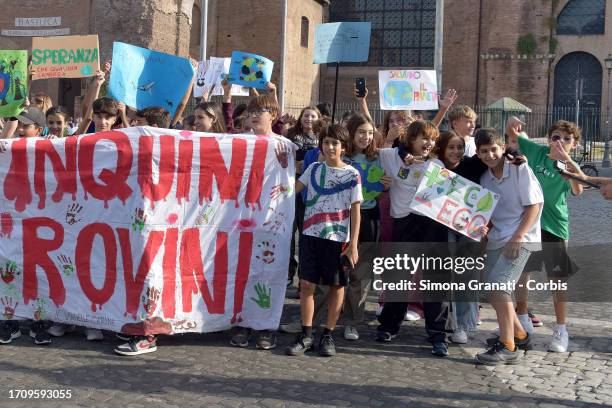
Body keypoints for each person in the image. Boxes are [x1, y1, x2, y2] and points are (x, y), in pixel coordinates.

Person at [506, 118, 584, 353]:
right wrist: (513, 123)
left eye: (567, 139)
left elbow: (579, 190)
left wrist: (567, 164)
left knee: (557, 280)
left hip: (555, 226)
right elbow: (511, 133)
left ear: (575, 144)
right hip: (530, 224)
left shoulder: (570, 166)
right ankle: (523, 316)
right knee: (523, 274)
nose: (560, 142)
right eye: (556, 137)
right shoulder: (537, 151)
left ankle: (561, 328)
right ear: (549, 139)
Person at [285, 124, 362, 357]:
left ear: (344, 147)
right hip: (310, 235)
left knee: (336, 287)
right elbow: (291, 191)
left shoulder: (352, 174)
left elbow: (356, 210)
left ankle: (327, 334)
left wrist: (353, 245)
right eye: (326, 142)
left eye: (335, 143)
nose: (330, 147)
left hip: (337, 238)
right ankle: (307, 334)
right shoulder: (314, 169)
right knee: (307, 285)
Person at [376, 120, 451, 357]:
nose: (428, 143)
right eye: (423, 138)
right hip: (404, 221)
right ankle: (389, 326)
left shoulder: (437, 164)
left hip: (430, 223)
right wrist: (400, 151)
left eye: (431, 139)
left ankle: (438, 334)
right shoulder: (392, 157)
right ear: (411, 140)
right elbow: (372, 150)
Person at [474, 128, 543, 365]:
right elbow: (488, 212)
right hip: (497, 238)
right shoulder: (485, 178)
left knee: (500, 287)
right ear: (478, 153)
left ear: (503, 148)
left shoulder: (519, 168)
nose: (490, 154)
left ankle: (508, 346)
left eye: (494, 149)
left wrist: (518, 236)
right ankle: (520, 335)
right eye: (484, 151)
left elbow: (534, 205)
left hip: (519, 238)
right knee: (492, 291)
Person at [229, 94, 282, 351]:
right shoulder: (240, 143)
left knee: (269, 273)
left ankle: (266, 325)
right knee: (242, 271)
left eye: (260, 110)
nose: (254, 115)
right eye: (251, 110)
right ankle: (242, 320)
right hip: (241, 219)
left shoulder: (284, 146)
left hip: (272, 221)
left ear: (273, 114)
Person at [285, 106, 323, 289]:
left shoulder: (322, 138)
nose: (309, 118)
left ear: (319, 119)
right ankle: (288, 273)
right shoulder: (291, 134)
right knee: (289, 234)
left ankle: (304, 277)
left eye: (313, 116)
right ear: (301, 118)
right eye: (306, 115)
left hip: (312, 191)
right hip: (293, 188)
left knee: (306, 234)